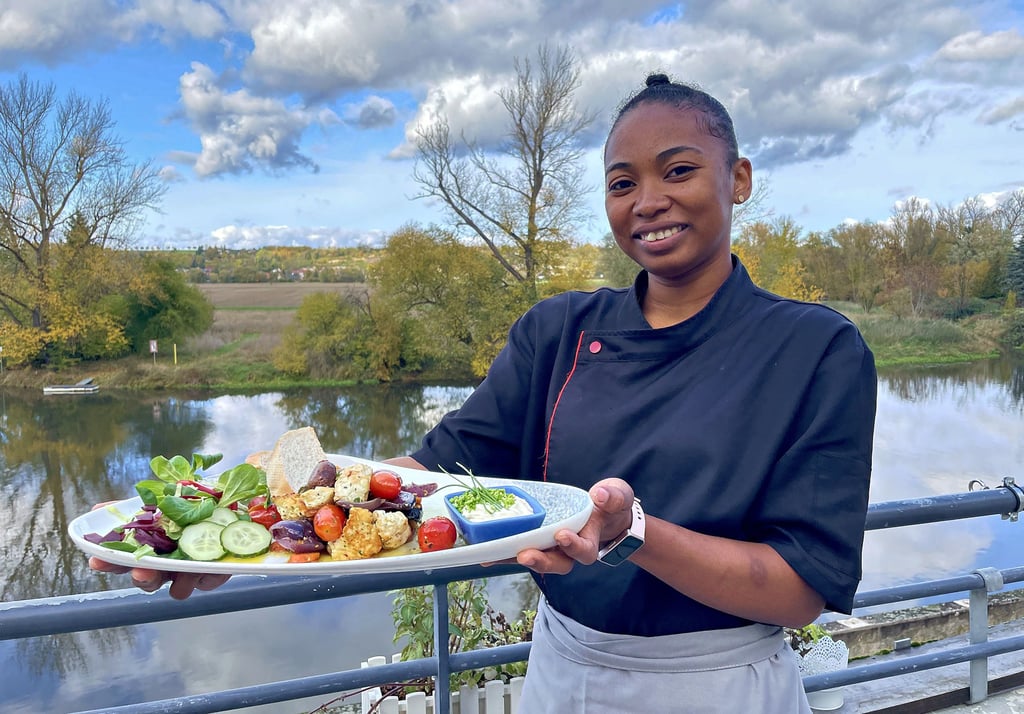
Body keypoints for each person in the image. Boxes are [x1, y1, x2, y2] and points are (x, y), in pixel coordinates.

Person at [92, 73, 877, 713]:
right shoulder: (558, 331)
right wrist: (259, 529)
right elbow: (430, 477)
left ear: (738, 178)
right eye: (621, 182)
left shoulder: (816, 350)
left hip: (721, 686)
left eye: (678, 170)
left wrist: (633, 530)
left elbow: (802, 589)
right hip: (562, 672)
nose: (647, 200)